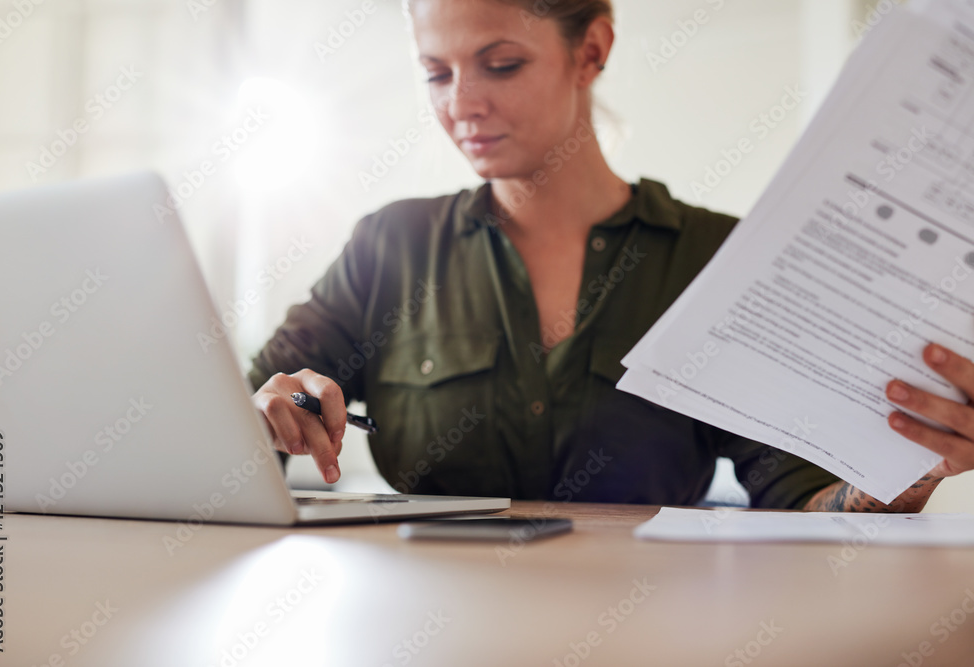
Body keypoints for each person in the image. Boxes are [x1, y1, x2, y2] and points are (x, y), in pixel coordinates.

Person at [247, 0, 971, 511]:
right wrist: (266, 408)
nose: (462, 103)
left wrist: (907, 474)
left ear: (590, 51)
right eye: (437, 73)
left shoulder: (711, 255)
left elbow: (798, 493)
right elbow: (237, 421)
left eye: (499, 64)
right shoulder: (390, 246)